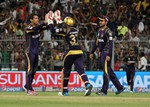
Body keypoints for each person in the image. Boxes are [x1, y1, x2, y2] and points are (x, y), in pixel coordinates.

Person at [54, 16, 93, 96]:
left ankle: (64, 91)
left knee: (66, 71)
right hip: (79, 51)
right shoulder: (76, 30)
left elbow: (53, 31)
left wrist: (52, 23)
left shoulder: (65, 30)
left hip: (70, 52)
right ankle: (87, 84)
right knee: (81, 70)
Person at [90, 15, 125, 95]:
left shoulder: (108, 31)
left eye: (102, 21)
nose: (100, 22)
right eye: (100, 21)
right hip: (102, 53)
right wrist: (92, 52)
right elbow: (96, 43)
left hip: (106, 53)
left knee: (106, 72)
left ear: (106, 22)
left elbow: (111, 44)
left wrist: (109, 54)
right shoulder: (99, 31)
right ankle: (120, 87)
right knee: (109, 72)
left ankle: (104, 91)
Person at [23, 12, 54, 96]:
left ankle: (27, 85)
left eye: (37, 18)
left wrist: (51, 21)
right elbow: (34, 29)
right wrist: (44, 23)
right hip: (29, 51)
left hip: (36, 52)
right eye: (35, 18)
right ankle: (29, 90)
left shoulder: (38, 28)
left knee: (34, 70)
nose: (37, 20)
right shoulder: (28, 28)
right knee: (29, 70)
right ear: (31, 20)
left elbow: (48, 27)